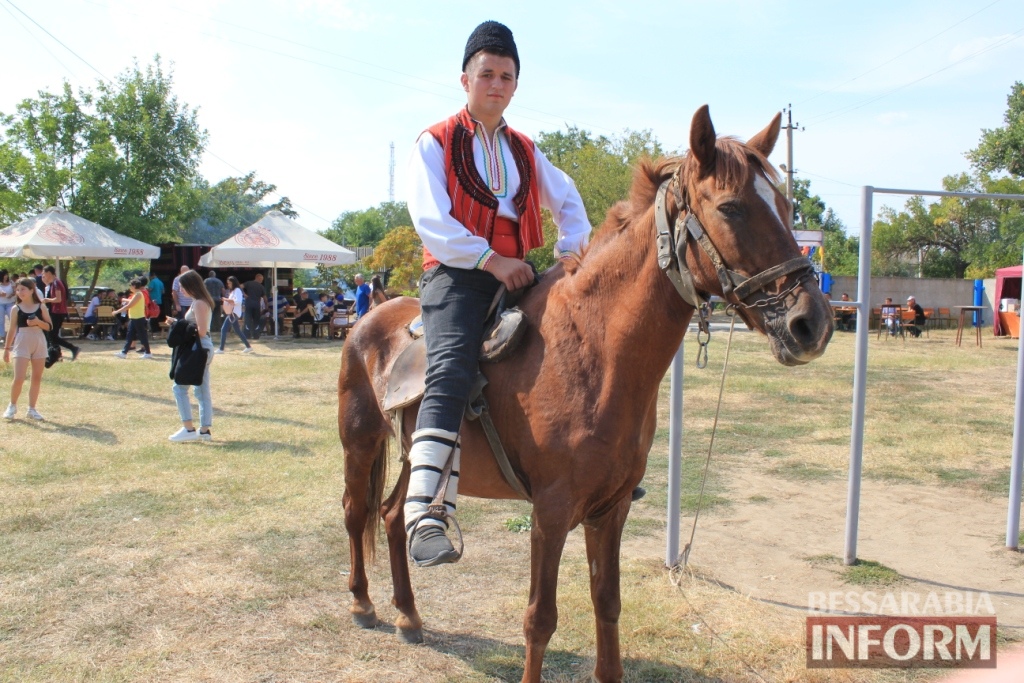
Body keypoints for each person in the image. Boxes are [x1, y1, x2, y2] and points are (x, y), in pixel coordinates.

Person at [402, 21, 591, 566]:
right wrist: (490, 259)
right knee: (452, 369)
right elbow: (431, 221)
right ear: (465, 79)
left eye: (507, 76)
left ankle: (586, 470)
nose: (497, 84)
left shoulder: (526, 150)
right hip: (456, 276)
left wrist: (569, 252)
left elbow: (569, 201)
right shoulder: (433, 141)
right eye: (487, 74)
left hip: (521, 272)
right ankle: (426, 513)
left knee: (575, 349)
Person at [166, 270, 215, 442]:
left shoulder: (200, 303)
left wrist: (179, 324)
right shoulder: (199, 302)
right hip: (202, 347)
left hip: (199, 348)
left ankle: (189, 429)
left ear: (190, 285)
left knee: (180, 388)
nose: (180, 290)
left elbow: (201, 331)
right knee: (201, 389)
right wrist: (178, 323)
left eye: (182, 287)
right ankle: (204, 430)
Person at [3, 277, 53, 420]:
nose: (20, 292)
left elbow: (50, 326)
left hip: (38, 340)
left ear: (32, 290)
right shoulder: (15, 308)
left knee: (36, 378)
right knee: (19, 378)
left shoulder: (41, 306)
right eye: (17, 290)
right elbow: (12, 329)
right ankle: (12, 406)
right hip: (22, 341)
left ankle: (32, 409)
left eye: (23, 289)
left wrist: (38, 322)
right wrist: (7, 349)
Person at [40, 265, 81, 361]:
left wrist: (46, 300)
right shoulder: (55, 282)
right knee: (52, 336)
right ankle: (57, 355)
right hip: (58, 312)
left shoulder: (56, 283)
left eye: (44, 273)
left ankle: (72, 348)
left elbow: (58, 299)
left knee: (51, 335)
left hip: (57, 312)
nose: (43, 275)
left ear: (49, 273)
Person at [112, 277, 153, 359]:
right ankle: (124, 352)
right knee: (130, 335)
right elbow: (131, 302)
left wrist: (116, 312)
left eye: (131, 285)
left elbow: (129, 305)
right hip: (134, 318)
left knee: (142, 336)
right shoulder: (137, 294)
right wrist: (125, 300)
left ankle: (148, 352)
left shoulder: (138, 294)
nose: (130, 287)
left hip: (138, 318)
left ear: (134, 286)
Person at [215, 276, 253, 354]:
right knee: (237, 330)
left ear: (233, 283)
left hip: (233, 313)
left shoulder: (237, 290)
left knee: (223, 329)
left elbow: (238, 301)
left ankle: (221, 349)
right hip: (233, 312)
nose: (228, 285)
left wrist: (226, 299)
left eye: (229, 283)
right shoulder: (234, 291)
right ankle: (248, 347)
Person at [241, 273, 266, 340]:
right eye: (261, 279)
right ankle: (256, 335)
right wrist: (266, 306)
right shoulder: (261, 287)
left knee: (248, 320)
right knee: (256, 321)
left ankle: (247, 335)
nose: (261, 281)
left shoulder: (248, 283)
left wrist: (244, 294)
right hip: (256, 305)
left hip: (249, 304)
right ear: (257, 278)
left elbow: (240, 286)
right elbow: (264, 297)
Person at [0, 270, 15, 344]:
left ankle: (14, 336)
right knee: (1, 320)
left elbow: (15, 291)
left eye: (7, 274)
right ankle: (2, 336)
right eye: (5, 275)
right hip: (1, 303)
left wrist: (11, 295)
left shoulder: (11, 282)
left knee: (12, 319)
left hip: (10, 303)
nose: (6, 276)